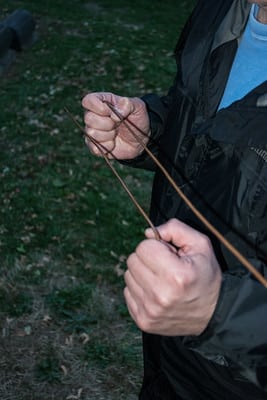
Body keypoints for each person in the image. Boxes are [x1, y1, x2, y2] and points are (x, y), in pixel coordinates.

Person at [82, 0, 267, 398]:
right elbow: (205, 117)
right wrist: (152, 131)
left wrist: (224, 314)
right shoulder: (220, 11)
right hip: (170, 356)